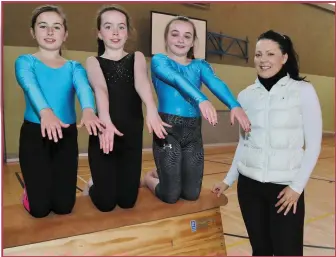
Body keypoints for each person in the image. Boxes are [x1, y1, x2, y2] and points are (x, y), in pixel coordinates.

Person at [212, 30, 322, 256]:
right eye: (258, 54)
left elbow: (313, 145)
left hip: (285, 190)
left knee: (288, 251)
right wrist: (228, 180)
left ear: (284, 58)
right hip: (249, 188)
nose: (263, 60)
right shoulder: (245, 96)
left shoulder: (303, 91)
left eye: (270, 54)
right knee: (260, 250)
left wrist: (296, 187)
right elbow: (244, 144)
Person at [141, 16, 251, 204]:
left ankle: (165, 175)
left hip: (192, 132)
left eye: (187, 36)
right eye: (175, 34)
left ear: (193, 41)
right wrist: (201, 99)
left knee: (191, 194)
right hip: (168, 130)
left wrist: (234, 105)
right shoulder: (160, 61)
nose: (181, 40)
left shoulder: (200, 66)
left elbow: (216, 83)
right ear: (166, 38)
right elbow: (176, 79)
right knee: (170, 195)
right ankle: (148, 179)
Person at [15, 5, 104, 218]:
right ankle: (29, 193)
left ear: (65, 35)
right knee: (40, 210)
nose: (49, 32)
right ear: (32, 32)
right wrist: (45, 112)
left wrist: (89, 111)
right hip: (35, 135)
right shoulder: (25, 61)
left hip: (65, 135)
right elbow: (31, 86)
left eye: (56, 27)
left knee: (64, 207)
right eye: (43, 26)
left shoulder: (74, 67)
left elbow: (83, 88)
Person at [83, 5, 170, 212]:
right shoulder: (93, 61)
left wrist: (151, 108)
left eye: (121, 27)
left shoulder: (136, 57)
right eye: (108, 26)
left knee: (127, 201)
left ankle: (144, 179)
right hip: (104, 134)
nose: (115, 32)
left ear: (127, 32)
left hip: (130, 133)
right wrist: (105, 121)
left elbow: (141, 82)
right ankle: (93, 183)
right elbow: (100, 88)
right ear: (99, 33)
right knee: (106, 203)